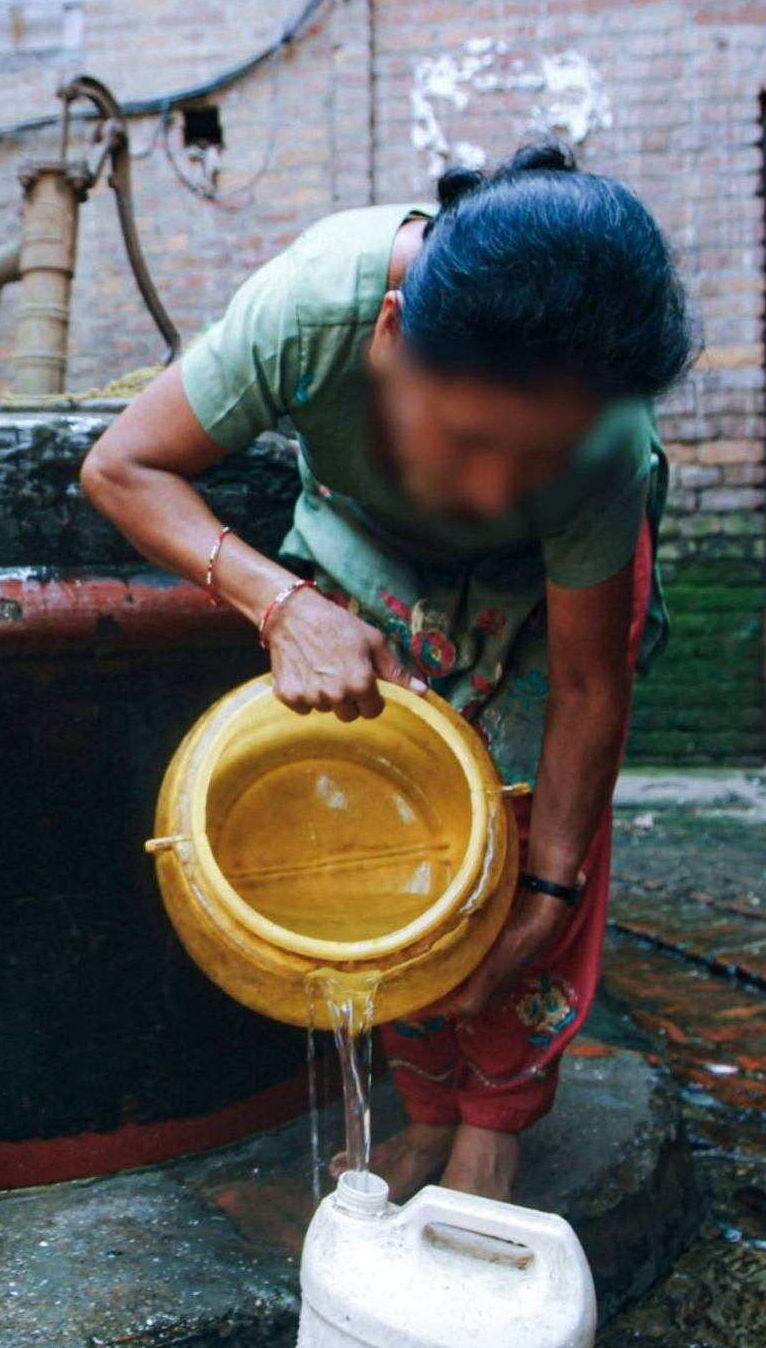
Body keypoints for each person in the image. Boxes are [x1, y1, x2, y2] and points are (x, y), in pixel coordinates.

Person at [81, 142, 694, 1202]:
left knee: (510, 835)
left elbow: (589, 691)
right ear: (391, 334)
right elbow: (122, 466)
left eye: (533, 459)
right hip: (364, 557)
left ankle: (496, 1122)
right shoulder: (314, 305)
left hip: (540, 599)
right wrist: (283, 603)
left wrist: (548, 889)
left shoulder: (606, 439)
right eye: (466, 438)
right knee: (385, 835)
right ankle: (422, 1105)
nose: (493, 486)